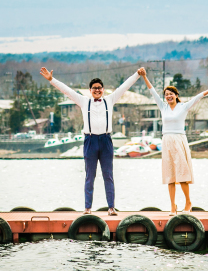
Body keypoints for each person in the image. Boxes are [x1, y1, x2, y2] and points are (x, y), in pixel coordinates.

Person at [40, 66, 141, 215]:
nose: (97, 90)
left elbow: (124, 86)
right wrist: (51, 80)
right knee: (90, 176)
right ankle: (88, 208)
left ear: (103, 89)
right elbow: (66, 90)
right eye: (94, 88)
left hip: (106, 141)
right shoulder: (84, 101)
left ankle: (111, 207)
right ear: (90, 90)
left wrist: (137, 75)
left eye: (99, 88)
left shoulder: (110, 99)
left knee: (108, 175)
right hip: (90, 141)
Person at [138, 67, 208, 215]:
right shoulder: (163, 107)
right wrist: (144, 77)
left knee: (182, 174)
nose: (168, 96)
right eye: (166, 95)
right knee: (170, 175)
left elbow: (198, 97)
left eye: (171, 94)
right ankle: (173, 206)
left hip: (179, 140)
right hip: (166, 141)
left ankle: (188, 202)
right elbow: (152, 91)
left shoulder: (183, 107)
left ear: (176, 95)